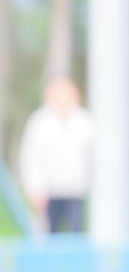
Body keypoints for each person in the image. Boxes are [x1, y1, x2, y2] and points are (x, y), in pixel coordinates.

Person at [18, 76, 93, 233]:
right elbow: (31, 158)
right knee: (50, 234)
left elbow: (92, 156)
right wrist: (34, 188)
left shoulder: (84, 121)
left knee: (77, 232)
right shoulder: (39, 121)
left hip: (77, 190)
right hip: (49, 192)